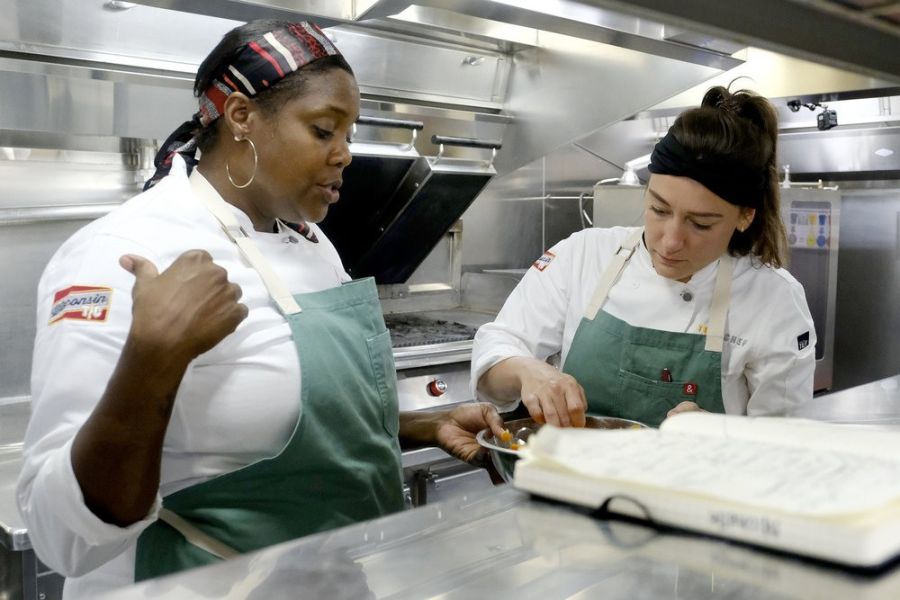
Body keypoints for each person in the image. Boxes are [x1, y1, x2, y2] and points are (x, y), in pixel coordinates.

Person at [17, 20, 504, 598]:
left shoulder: (310, 240)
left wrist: (406, 426)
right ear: (242, 116)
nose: (345, 154)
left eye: (349, 133)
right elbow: (60, 537)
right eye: (324, 130)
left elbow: (260, 428)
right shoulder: (125, 251)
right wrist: (152, 361)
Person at [471, 86, 816, 429]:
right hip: (571, 479)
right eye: (658, 209)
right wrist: (527, 371)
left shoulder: (774, 300)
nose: (670, 242)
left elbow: (786, 445)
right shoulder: (583, 255)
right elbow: (495, 355)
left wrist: (722, 436)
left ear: (745, 217)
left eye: (700, 224)